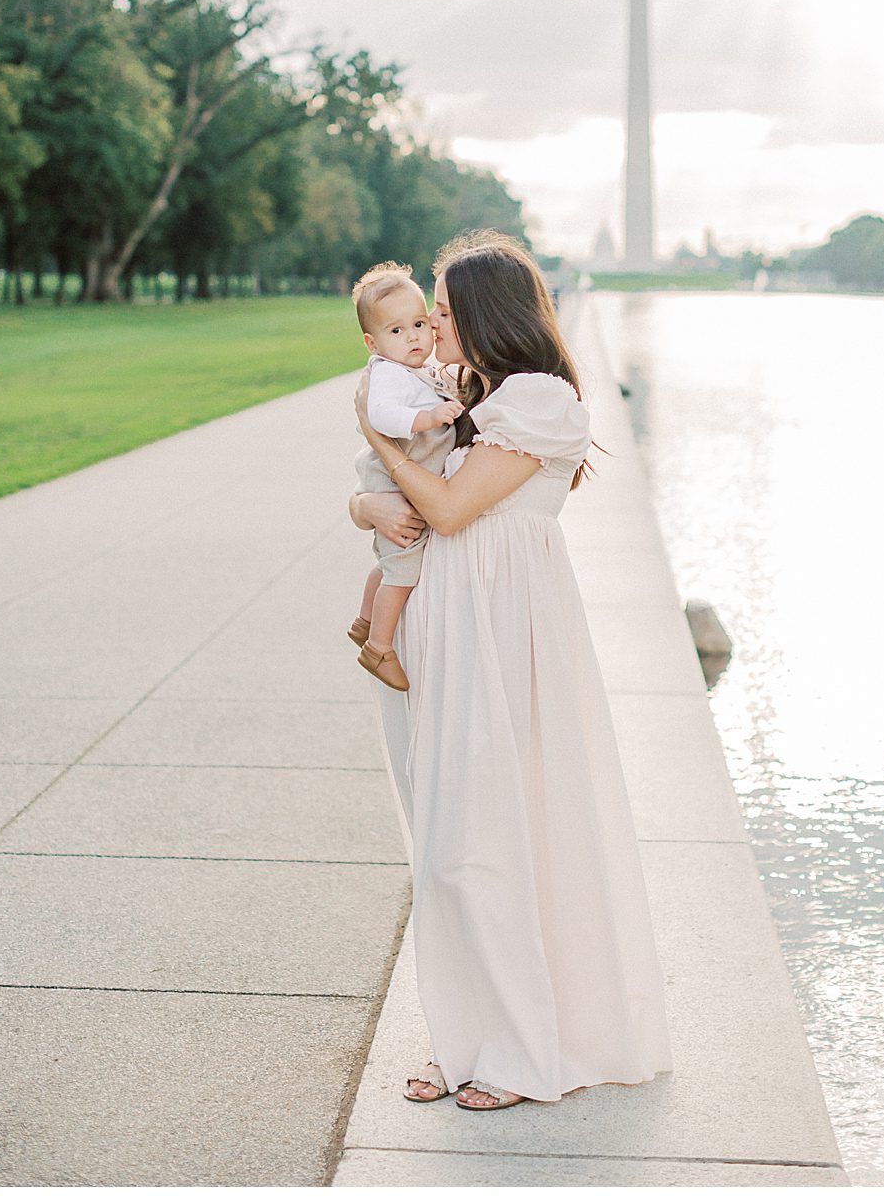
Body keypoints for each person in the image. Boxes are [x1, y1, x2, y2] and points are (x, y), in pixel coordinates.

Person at [350, 230, 674, 1111]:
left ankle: (521, 1051)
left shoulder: (537, 398)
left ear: (491, 314)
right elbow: (390, 502)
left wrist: (372, 447)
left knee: (489, 838)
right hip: (449, 628)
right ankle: (468, 1041)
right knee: (449, 840)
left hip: (505, 634)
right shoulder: (467, 394)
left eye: (447, 312)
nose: (432, 326)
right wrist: (367, 491)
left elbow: (448, 506)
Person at [348, 262, 463, 692]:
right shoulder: (388, 374)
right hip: (394, 484)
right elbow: (380, 415)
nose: (415, 336)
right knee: (403, 572)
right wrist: (427, 416)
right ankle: (379, 647)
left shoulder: (414, 371)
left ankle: (364, 621)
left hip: (400, 484)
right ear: (372, 342)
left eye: (419, 323)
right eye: (397, 331)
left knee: (390, 561)